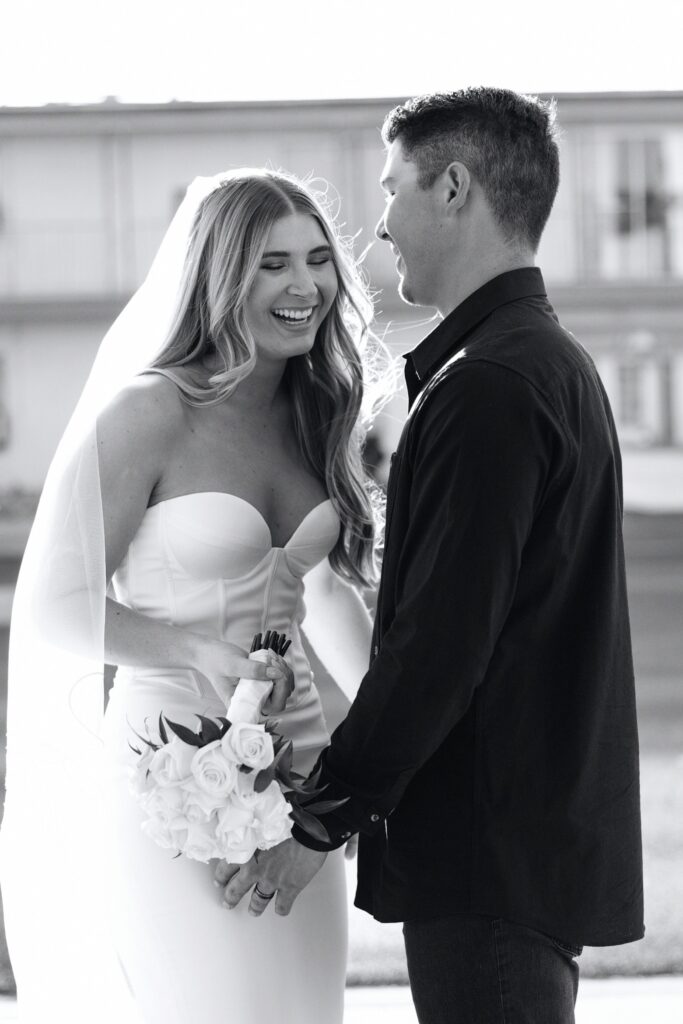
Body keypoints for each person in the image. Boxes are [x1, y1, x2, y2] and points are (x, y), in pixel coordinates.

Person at [221, 89, 645, 1024]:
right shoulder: (543, 361)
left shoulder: (488, 385)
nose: (378, 228)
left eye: (392, 190)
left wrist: (320, 816)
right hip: (521, 843)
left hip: (484, 853)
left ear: (452, 186)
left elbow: (439, 648)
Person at [0, 169, 385, 1024]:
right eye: (272, 263)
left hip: (297, 781)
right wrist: (199, 651)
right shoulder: (151, 411)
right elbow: (59, 605)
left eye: (319, 260)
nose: (305, 286)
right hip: (166, 770)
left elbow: (322, 591)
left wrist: (390, 722)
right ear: (220, 275)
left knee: (302, 1010)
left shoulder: (316, 411)